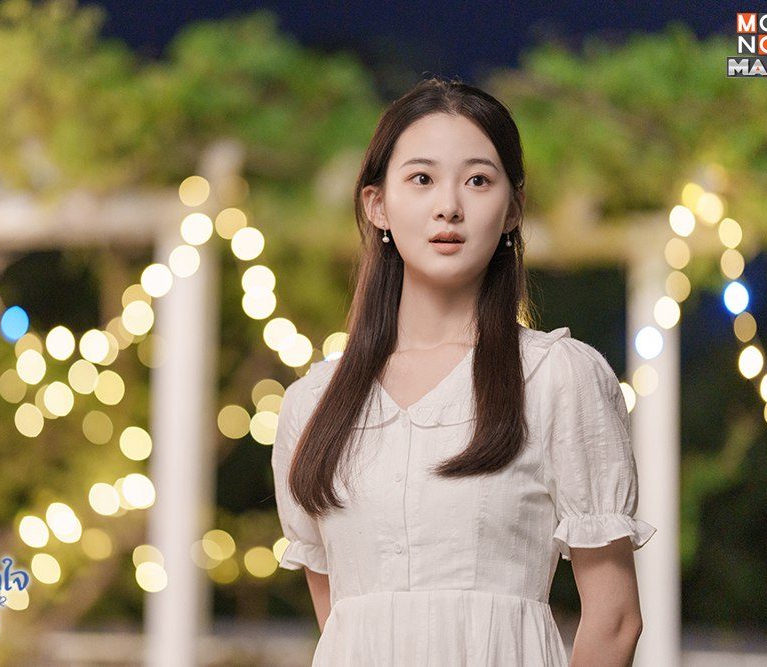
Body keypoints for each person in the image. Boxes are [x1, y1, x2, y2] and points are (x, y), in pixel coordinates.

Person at [270, 76, 656, 666]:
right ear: (377, 204)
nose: (448, 206)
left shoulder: (556, 377)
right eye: (421, 179)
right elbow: (342, 625)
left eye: (477, 180)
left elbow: (616, 618)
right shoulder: (312, 403)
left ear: (513, 209)